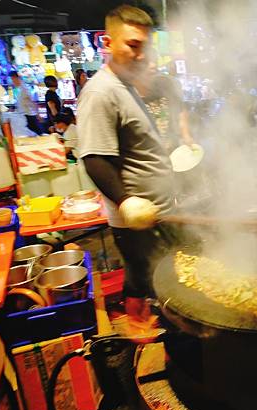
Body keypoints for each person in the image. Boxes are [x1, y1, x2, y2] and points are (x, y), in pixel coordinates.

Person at [77, 5, 177, 325]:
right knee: (146, 281)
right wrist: (127, 201)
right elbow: (93, 158)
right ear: (106, 43)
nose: (140, 54)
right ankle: (142, 338)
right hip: (137, 219)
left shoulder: (125, 86)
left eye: (144, 46)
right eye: (132, 45)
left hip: (157, 211)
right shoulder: (100, 92)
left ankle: (149, 330)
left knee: (149, 280)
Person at [138, 49, 194, 151]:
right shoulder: (128, 91)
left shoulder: (167, 83)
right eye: (147, 62)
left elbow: (180, 110)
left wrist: (186, 135)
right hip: (146, 155)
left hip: (173, 150)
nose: (153, 65)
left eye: (154, 61)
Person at [10, 71, 41, 135]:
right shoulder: (19, 89)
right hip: (24, 115)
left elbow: (33, 101)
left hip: (29, 115)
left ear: (17, 78)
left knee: (37, 133)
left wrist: (38, 114)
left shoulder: (25, 88)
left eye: (13, 79)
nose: (12, 82)